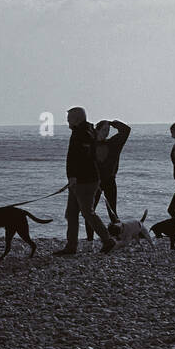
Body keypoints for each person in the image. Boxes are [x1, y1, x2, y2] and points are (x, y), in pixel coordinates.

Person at [54, 106, 115, 256]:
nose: (67, 121)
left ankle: (108, 241)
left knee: (87, 213)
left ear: (76, 119)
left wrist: (74, 177)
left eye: (69, 118)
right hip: (80, 180)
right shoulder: (84, 131)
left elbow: (82, 158)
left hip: (84, 180)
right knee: (71, 213)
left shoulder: (83, 133)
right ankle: (71, 246)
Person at [88, 118, 131, 234]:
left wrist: (113, 123)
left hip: (110, 181)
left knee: (112, 211)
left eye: (108, 130)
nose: (106, 132)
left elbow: (126, 130)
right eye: (104, 129)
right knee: (90, 211)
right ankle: (90, 239)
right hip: (94, 182)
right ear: (97, 130)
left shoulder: (113, 144)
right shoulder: (91, 144)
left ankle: (116, 235)